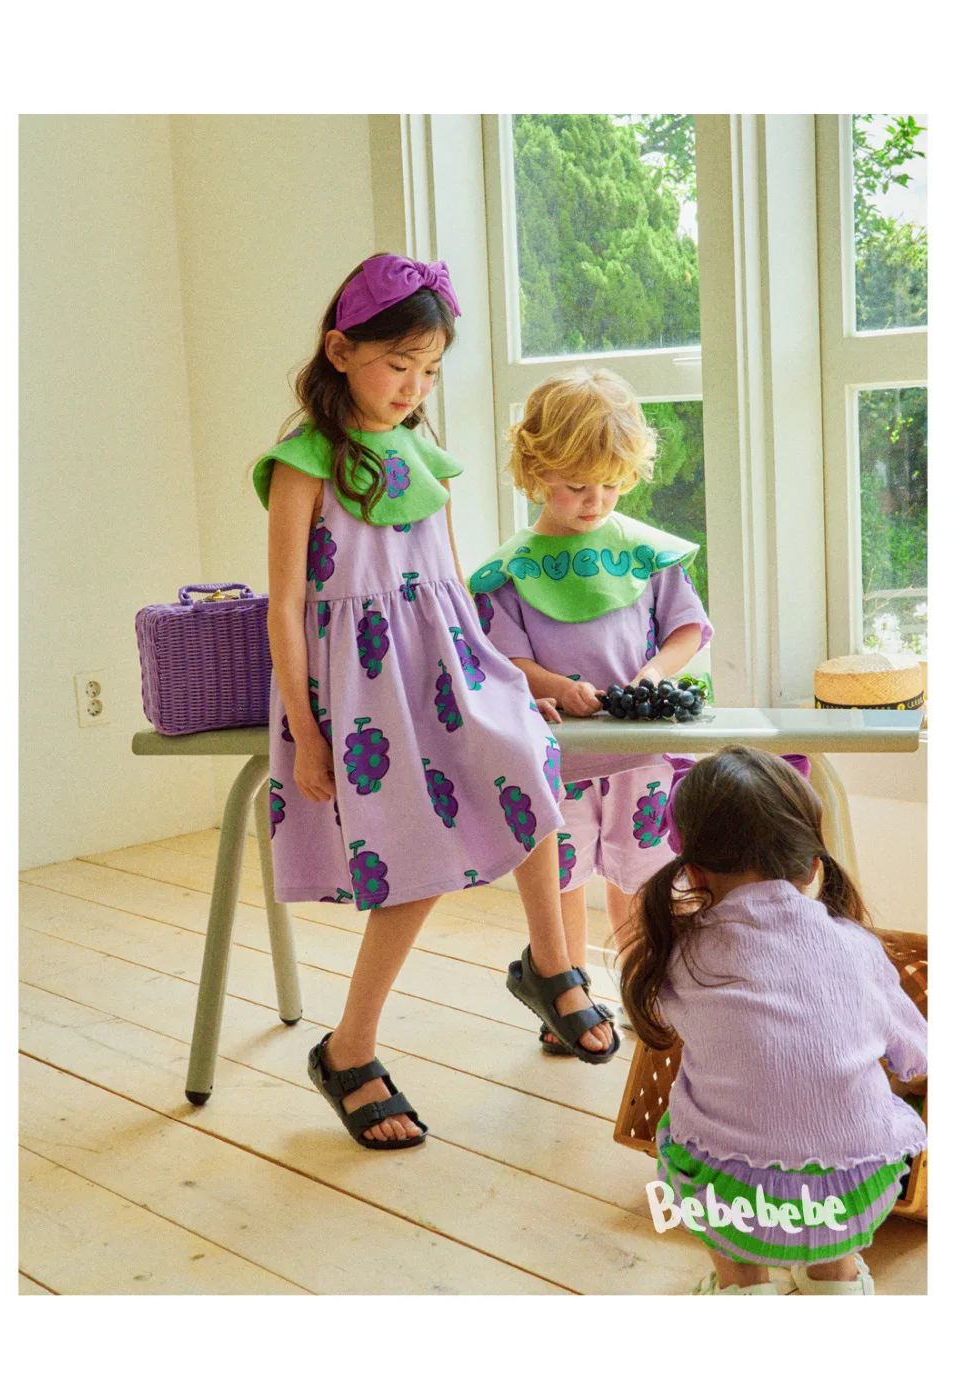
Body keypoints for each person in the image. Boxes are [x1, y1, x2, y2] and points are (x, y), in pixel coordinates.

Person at [255, 254, 617, 1152]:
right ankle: (349, 1048)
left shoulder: (425, 458)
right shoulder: (304, 463)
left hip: (444, 670)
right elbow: (286, 606)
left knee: (527, 756)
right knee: (414, 854)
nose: (414, 388)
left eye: (429, 370)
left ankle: (551, 964)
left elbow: (449, 591)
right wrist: (307, 733)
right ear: (341, 350)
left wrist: (506, 679)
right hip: (360, 697)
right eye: (398, 365)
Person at [618, 746, 928, 1296]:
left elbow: (664, 1020)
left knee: (681, 1123)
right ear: (812, 865)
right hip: (856, 1189)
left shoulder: (680, 954)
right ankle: (836, 1279)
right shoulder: (857, 945)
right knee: (847, 1135)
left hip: (732, 1198)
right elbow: (917, 1056)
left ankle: (743, 1284)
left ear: (692, 871)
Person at [468, 370, 712, 1051]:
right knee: (562, 880)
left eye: (610, 483)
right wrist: (554, 684)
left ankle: (645, 994)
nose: (595, 500)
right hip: (559, 759)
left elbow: (687, 629)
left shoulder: (648, 552)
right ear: (536, 470)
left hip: (639, 754)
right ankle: (566, 997)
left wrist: (653, 674)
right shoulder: (509, 572)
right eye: (577, 484)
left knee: (643, 879)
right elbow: (502, 657)